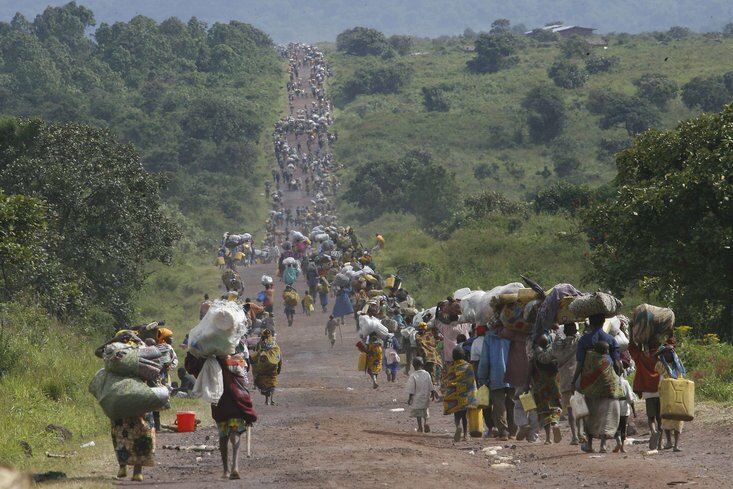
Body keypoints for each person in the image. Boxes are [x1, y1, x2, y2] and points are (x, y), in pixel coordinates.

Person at [185, 353, 257, 480]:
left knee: (223, 436)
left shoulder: (209, 363)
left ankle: (226, 470)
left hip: (219, 404)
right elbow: (244, 383)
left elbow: (192, 367)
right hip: (236, 404)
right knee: (235, 432)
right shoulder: (236, 362)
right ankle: (235, 466)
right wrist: (248, 411)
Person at [572, 315, 623, 454]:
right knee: (606, 412)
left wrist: (574, 380)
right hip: (608, 381)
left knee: (590, 412)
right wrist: (617, 380)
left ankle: (589, 444)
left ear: (590, 324)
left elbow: (580, 363)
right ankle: (603, 445)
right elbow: (617, 363)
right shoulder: (611, 339)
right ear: (603, 322)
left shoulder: (584, 340)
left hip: (589, 381)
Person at [477, 326, 515, 441]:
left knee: (499, 405)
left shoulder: (489, 337)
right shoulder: (514, 334)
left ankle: (503, 432)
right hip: (513, 373)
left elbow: (484, 360)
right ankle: (513, 432)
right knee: (512, 403)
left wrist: (482, 377)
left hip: (496, 375)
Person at [629, 339, 663, 450]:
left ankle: (653, 431)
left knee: (651, 417)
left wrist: (636, 339)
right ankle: (660, 443)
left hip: (648, 394)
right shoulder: (662, 355)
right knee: (660, 418)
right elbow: (671, 344)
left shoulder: (641, 356)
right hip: (661, 391)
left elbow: (632, 348)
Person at [528, 335, 562, 444]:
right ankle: (555, 423)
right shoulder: (552, 355)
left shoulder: (534, 357)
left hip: (540, 388)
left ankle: (548, 438)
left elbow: (529, 372)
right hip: (554, 386)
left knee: (543, 411)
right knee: (555, 406)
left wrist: (526, 385)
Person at [656, 340, 686, 452]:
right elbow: (655, 358)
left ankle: (676, 444)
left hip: (678, 394)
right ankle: (668, 442)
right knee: (666, 417)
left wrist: (668, 349)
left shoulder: (678, 365)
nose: (669, 354)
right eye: (666, 353)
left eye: (671, 352)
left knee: (678, 418)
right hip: (665, 394)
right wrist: (662, 350)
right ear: (663, 354)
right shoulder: (660, 364)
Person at [443, 346, 478, 442]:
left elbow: (448, 380)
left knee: (457, 415)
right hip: (465, 397)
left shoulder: (451, 367)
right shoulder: (468, 366)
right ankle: (465, 435)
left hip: (455, 396)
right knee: (464, 416)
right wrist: (473, 395)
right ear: (464, 355)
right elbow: (471, 381)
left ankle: (458, 426)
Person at [406, 357, 438, 433]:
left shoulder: (413, 375)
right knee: (425, 411)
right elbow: (430, 384)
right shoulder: (426, 374)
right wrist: (433, 393)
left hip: (417, 398)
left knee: (418, 414)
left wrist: (410, 398)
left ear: (413, 365)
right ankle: (426, 423)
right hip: (425, 397)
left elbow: (411, 388)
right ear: (422, 364)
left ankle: (420, 427)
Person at [252, 329, 282, 405]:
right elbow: (279, 356)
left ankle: (266, 400)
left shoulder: (260, 344)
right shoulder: (274, 344)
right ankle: (271, 400)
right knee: (272, 383)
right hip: (272, 368)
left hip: (262, 368)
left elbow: (256, 355)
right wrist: (279, 368)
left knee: (264, 384)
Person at [615, 370, 637, 453]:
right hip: (624, 407)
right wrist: (634, 410)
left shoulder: (612, 381)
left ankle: (618, 442)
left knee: (616, 427)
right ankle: (622, 447)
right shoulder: (625, 382)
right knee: (623, 428)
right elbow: (630, 397)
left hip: (615, 406)